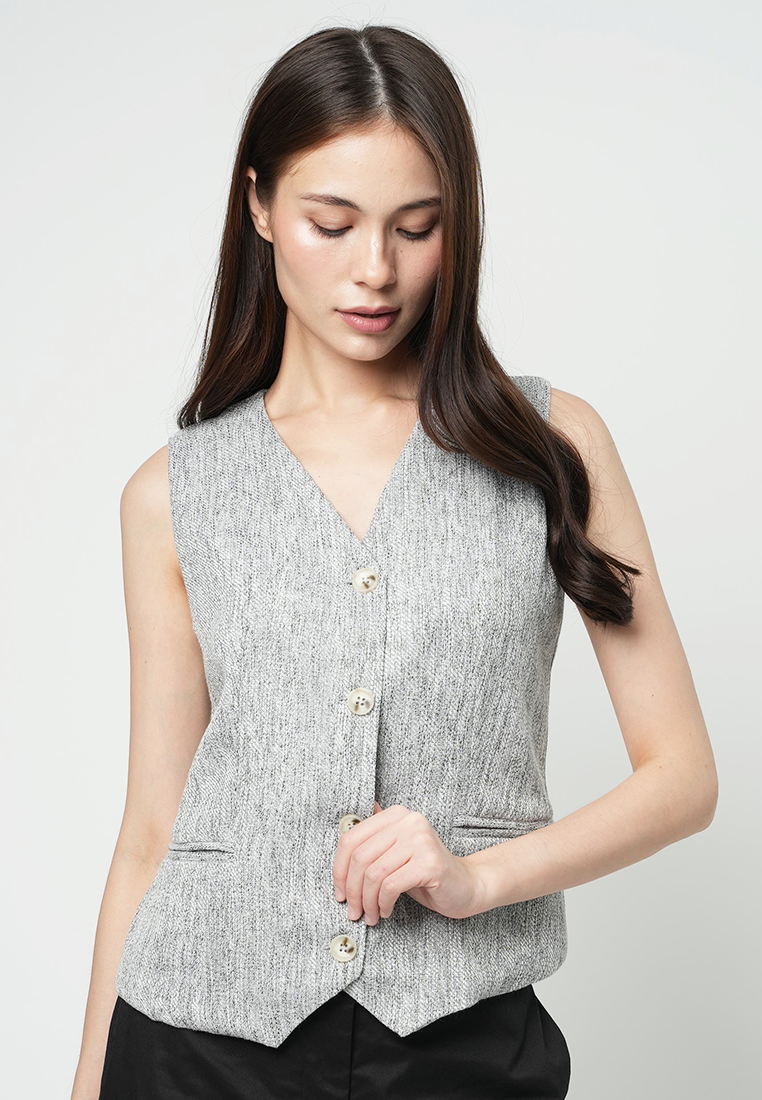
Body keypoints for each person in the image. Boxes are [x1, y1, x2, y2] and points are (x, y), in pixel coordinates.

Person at [70, 23, 718, 1100]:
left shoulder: (556, 448)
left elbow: (682, 777)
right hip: (194, 1043)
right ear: (259, 206)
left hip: (464, 1042)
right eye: (332, 224)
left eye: (417, 227)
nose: (375, 270)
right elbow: (150, 833)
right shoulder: (173, 492)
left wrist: (480, 878)